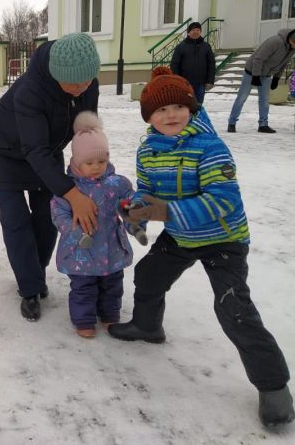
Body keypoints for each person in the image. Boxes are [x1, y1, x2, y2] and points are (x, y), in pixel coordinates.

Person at [109, 67, 293, 429]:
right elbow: (146, 189)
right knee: (149, 275)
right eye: (161, 110)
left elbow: (223, 201)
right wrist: (136, 211)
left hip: (224, 239)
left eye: (179, 106)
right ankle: (148, 327)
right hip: (182, 235)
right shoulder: (148, 149)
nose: (171, 115)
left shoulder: (209, 147)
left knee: (233, 308)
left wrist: (165, 211)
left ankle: (273, 386)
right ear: (149, 117)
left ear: (192, 109)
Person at [0, 32, 101, 322]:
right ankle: (30, 289)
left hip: (45, 150)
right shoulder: (30, 90)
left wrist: (90, 168)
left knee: (49, 215)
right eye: (75, 83)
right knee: (16, 217)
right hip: (1, 152)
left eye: (87, 81)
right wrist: (73, 194)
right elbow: (35, 149)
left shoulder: (86, 84)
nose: (82, 88)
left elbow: (86, 128)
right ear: (56, 74)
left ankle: (35, 269)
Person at [50, 111, 138, 338]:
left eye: (102, 160)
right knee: (83, 287)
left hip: (111, 246)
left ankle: (110, 315)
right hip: (82, 248)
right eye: (89, 162)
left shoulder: (117, 183)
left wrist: (134, 217)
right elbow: (59, 213)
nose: (97, 166)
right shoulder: (69, 188)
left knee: (113, 284)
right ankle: (84, 320)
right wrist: (74, 230)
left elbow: (128, 203)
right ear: (77, 162)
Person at [227, 28, 295, 134]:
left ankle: (263, 125)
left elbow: (283, 64)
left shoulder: (291, 49)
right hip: (251, 72)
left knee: (264, 100)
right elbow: (258, 59)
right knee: (242, 98)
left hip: (267, 75)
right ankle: (232, 123)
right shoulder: (275, 42)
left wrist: (276, 78)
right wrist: (255, 76)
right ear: (290, 40)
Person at [169, 21, 215, 104]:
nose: (195, 32)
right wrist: (177, 81)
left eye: (198, 30)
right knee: (187, 105)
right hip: (185, 84)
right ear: (188, 33)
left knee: (199, 105)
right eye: (193, 30)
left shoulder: (206, 46)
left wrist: (210, 81)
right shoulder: (181, 47)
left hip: (201, 83)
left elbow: (211, 64)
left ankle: (197, 117)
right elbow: (174, 65)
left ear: (200, 32)